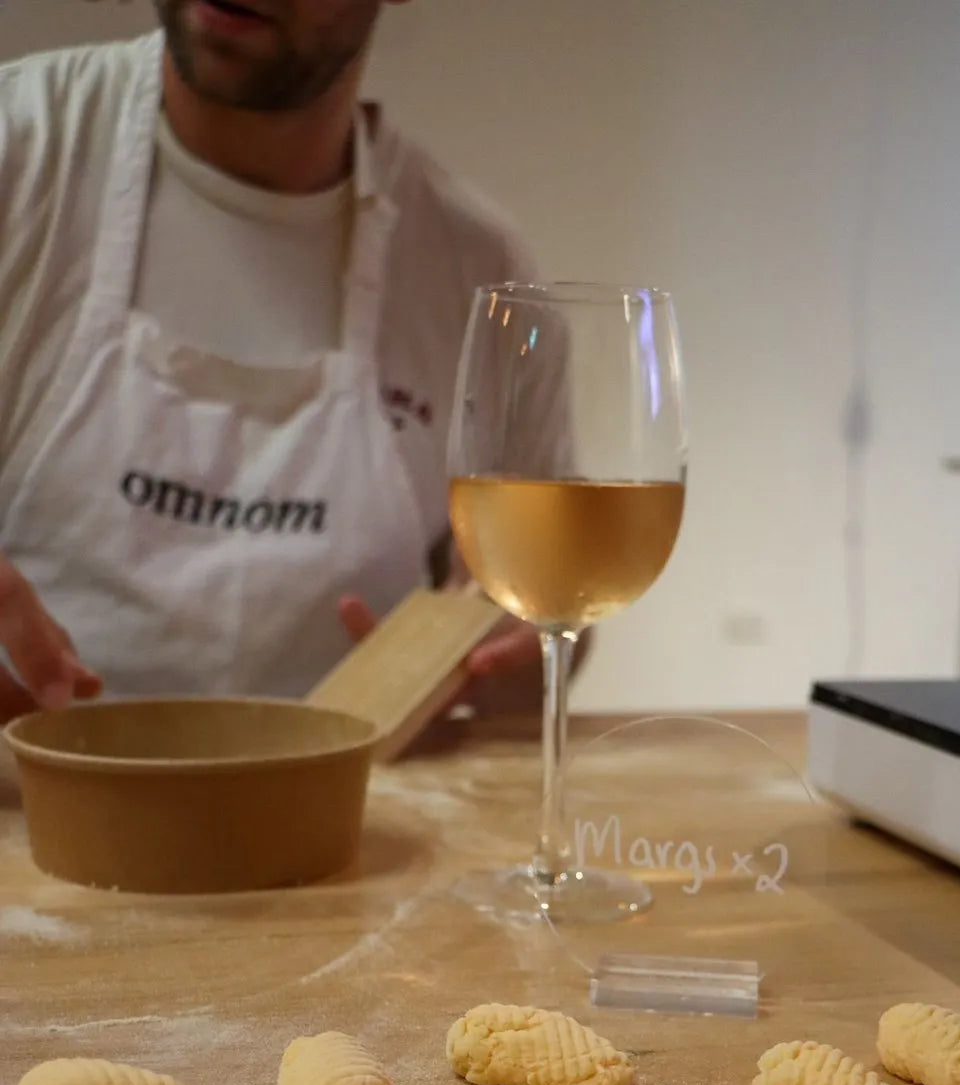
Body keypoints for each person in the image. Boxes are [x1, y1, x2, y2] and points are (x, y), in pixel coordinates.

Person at [0, 0, 566, 726]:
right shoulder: (22, 154)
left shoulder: (479, 275)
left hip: (356, 795)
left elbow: (544, 627)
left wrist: (508, 652)